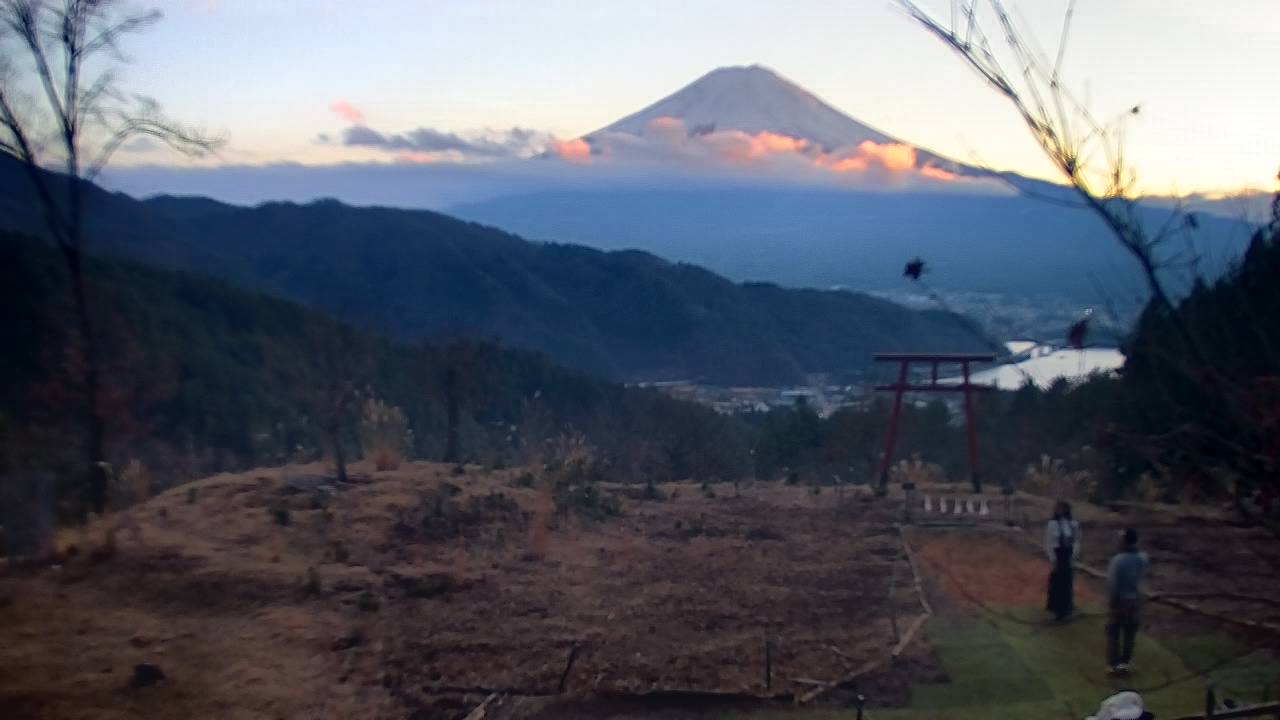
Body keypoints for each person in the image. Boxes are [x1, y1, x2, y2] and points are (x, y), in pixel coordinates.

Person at [1107, 528, 1149, 675]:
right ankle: (1125, 663)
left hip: (1120, 600)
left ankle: (1115, 664)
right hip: (1135, 600)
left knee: (1114, 632)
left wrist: (1112, 600)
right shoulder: (1142, 558)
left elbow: (1113, 583)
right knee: (1130, 634)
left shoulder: (1118, 560)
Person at [1044, 500, 1081, 620]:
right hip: (1058, 555)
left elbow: (1076, 541)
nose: (1057, 510)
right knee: (1057, 582)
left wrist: (1073, 555)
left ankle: (1067, 608)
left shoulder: (1073, 524)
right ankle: (1057, 610)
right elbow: (1049, 542)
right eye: (1056, 508)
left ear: (1066, 509)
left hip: (1068, 555)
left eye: (1060, 508)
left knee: (1067, 582)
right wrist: (1053, 558)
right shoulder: (1052, 524)